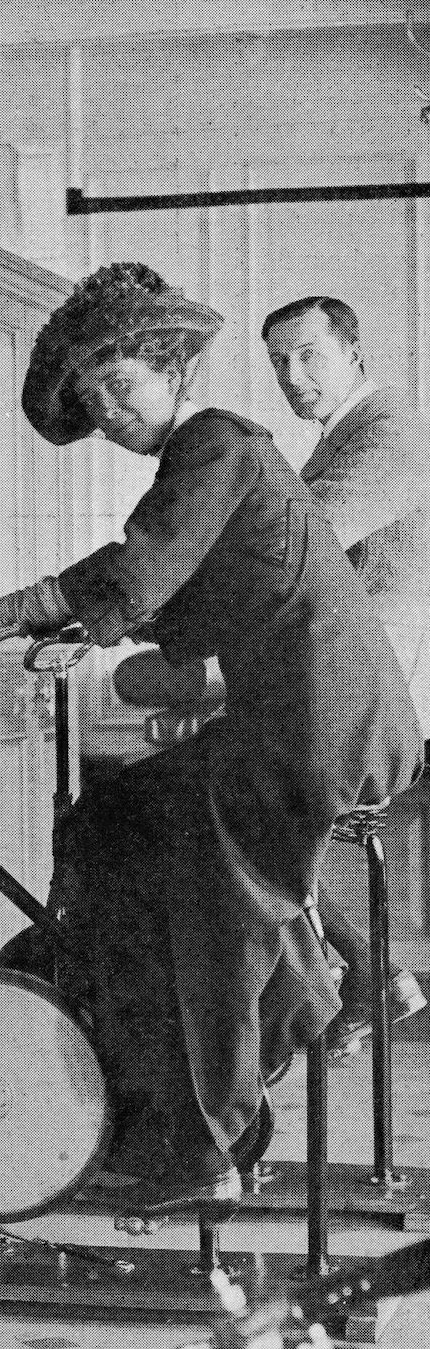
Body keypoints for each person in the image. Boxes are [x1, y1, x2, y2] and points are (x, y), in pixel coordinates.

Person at [0, 262, 424, 1223]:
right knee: (110, 817)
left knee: (198, 903)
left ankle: (204, 1145)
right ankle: (299, 1006)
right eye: (92, 399)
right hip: (302, 721)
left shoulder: (217, 444)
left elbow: (140, 568)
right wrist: (49, 626)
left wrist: (11, 609)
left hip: (318, 729)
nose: (110, 410)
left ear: (172, 373)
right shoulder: (207, 463)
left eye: (122, 385)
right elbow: (173, 590)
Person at [262, 296, 430, 1054]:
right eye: (278, 362)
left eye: (308, 356)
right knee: (239, 820)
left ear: (353, 352)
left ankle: (347, 981)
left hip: (369, 702)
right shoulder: (346, 433)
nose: (292, 377)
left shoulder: (387, 431)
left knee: (227, 818)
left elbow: (301, 543)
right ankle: (368, 976)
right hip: (346, 689)